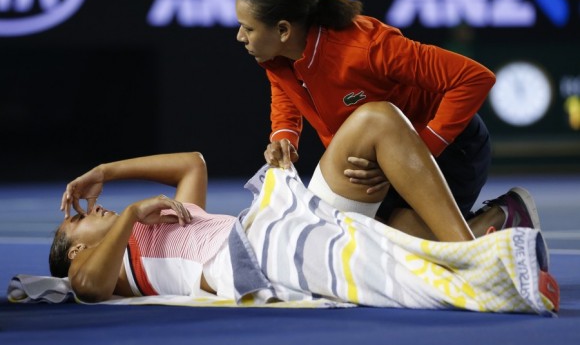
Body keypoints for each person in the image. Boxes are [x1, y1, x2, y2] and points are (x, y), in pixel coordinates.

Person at [49, 102, 548, 305]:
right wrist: (133, 211)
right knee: (402, 241)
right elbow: (89, 289)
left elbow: (192, 164)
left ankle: (484, 234)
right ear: (76, 251)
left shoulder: (161, 220)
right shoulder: (95, 271)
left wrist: (105, 171)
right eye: (78, 222)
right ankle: (491, 233)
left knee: (377, 122)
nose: (90, 210)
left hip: (279, 223)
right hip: (260, 261)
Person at [235, 0, 522, 237]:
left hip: (451, 151)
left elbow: (475, 78)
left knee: (399, 251)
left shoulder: (367, 48)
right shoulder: (277, 58)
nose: (240, 36)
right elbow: (285, 90)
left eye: (248, 28)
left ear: (284, 30)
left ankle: (499, 217)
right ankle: (487, 227)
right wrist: (284, 136)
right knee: (373, 247)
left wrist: (422, 150)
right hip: (380, 165)